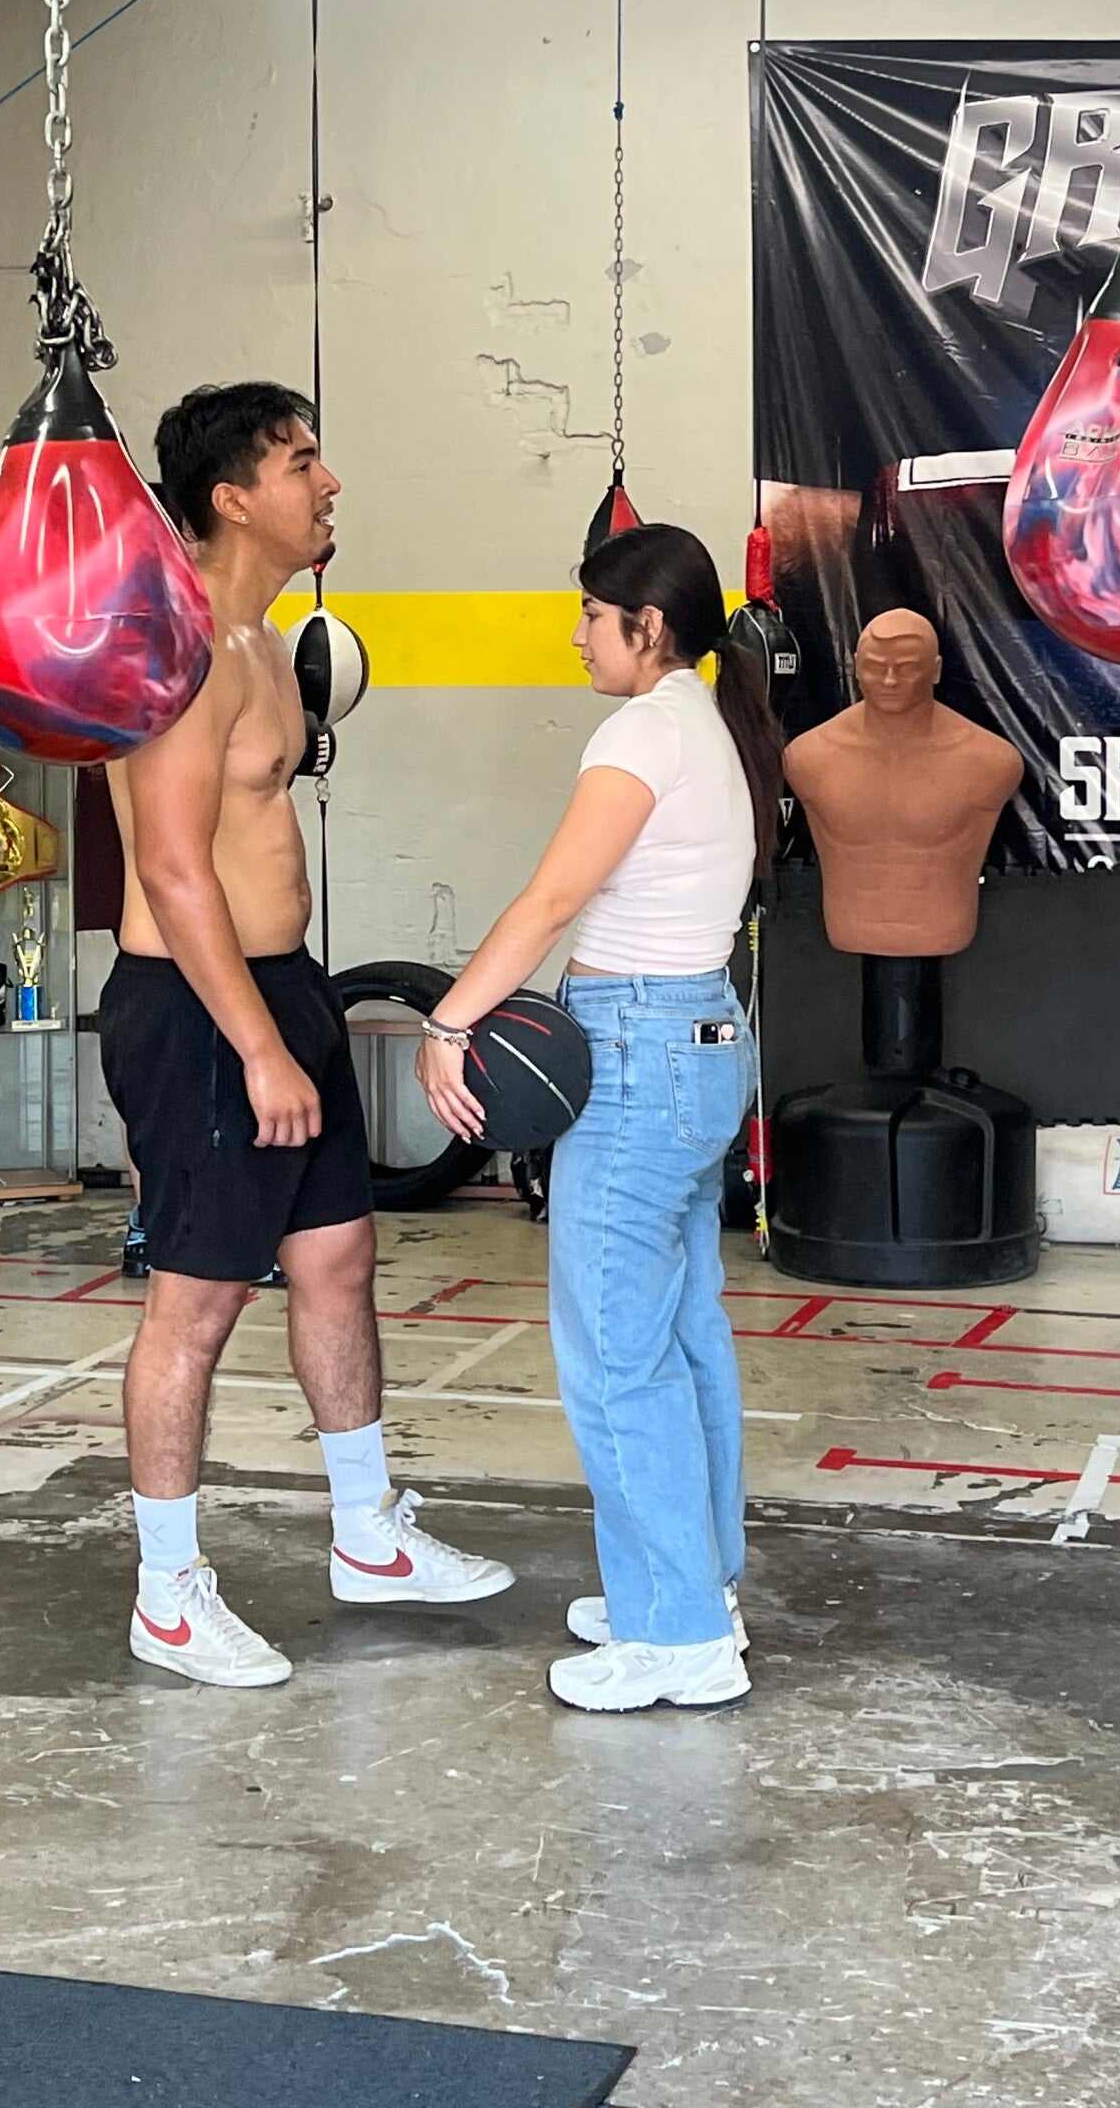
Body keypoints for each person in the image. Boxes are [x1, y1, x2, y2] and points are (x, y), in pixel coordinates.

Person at [101, 381, 512, 1690]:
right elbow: (173, 870)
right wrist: (261, 1049)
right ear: (233, 498)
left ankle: (369, 1534)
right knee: (198, 1300)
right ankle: (168, 1595)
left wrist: (291, 1023)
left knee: (337, 1258)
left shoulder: (270, 641)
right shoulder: (179, 646)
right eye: (301, 462)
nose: (329, 483)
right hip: (202, 1008)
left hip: (284, 988)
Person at [414, 524, 781, 1713]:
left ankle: (677, 1635)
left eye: (591, 614)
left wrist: (448, 1022)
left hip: (638, 1054)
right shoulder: (709, 723)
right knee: (682, 1332)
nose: (576, 635)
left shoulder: (642, 731)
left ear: (648, 625)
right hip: (699, 1040)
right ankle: (693, 1587)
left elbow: (553, 898)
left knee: (618, 1352)